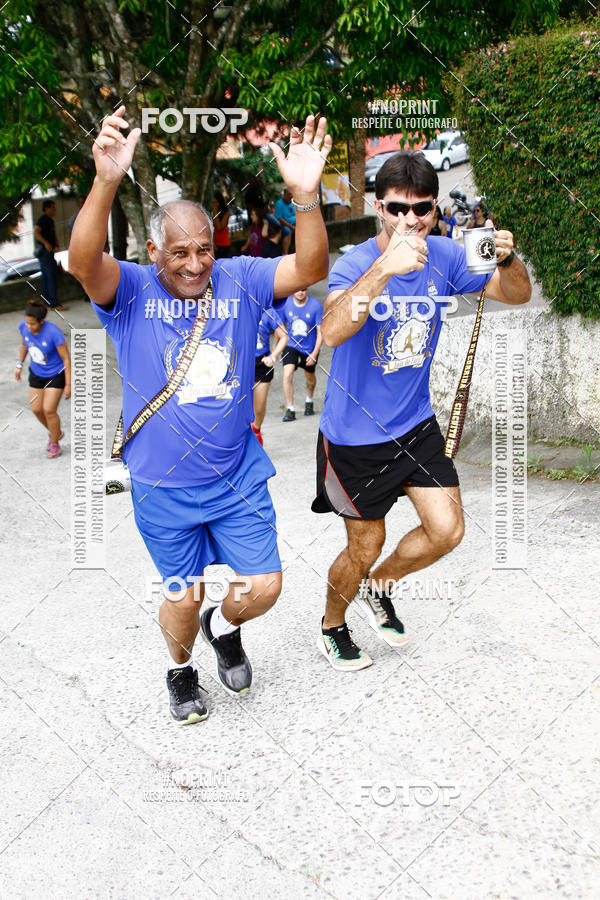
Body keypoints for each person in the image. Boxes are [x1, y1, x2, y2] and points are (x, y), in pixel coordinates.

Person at [69, 106, 331, 724]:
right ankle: (180, 671)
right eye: (179, 253)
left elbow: (312, 269)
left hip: (236, 477)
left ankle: (226, 624)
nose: (193, 264)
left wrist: (308, 198)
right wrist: (106, 179)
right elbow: (83, 262)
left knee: (265, 587)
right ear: (152, 250)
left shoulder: (239, 279)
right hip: (163, 488)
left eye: (204, 251)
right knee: (180, 599)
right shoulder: (129, 290)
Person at [313, 150, 531, 670]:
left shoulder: (450, 254)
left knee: (447, 529)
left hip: (415, 425)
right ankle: (332, 624)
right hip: (354, 437)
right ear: (379, 209)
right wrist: (385, 270)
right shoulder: (355, 261)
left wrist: (506, 257)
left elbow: (516, 294)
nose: (409, 220)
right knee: (365, 545)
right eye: (396, 209)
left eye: (421, 209)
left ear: (434, 210)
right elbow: (332, 329)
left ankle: (379, 587)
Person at [14, 299, 71, 458]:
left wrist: (68, 384)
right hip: (37, 373)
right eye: (27, 323)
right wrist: (19, 365)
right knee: (36, 409)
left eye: (32, 324)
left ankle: (54, 443)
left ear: (42, 321)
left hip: (56, 374)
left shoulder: (54, 333)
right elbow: (24, 344)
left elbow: (66, 358)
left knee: (49, 410)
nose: (29, 326)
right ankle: (56, 432)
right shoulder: (24, 327)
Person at [280, 288, 323, 421]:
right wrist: (278, 344)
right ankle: (290, 409)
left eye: (303, 290)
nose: (300, 292)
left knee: (309, 376)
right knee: (287, 373)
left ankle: (309, 401)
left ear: (307, 289)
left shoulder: (315, 306)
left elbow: (321, 332)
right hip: (291, 345)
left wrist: (314, 354)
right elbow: (280, 326)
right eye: (298, 290)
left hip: (309, 348)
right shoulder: (285, 304)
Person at [251, 308, 288, 446]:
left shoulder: (268, 312)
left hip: (261, 363)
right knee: (240, 406)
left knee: (259, 408)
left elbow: (284, 336)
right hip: (242, 363)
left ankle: (256, 429)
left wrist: (273, 356)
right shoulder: (237, 306)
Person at [34, 199, 67, 311]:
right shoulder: (43, 219)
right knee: (50, 277)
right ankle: (53, 303)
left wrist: (56, 244)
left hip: (49, 252)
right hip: (45, 252)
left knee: (46, 277)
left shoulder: (50, 220)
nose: (55, 210)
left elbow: (53, 234)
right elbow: (36, 232)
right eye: (53, 207)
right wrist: (46, 243)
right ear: (47, 208)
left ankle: (47, 301)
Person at [274, 188, 296, 254]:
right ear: (285, 195)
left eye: (292, 194)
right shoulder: (279, 204)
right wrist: (291, 227)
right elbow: (279, 219)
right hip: (284, 225)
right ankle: (285, 253)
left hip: (295, 224)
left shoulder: (293, 202)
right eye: (289, 194)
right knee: (288, 231)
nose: (291, 196)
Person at [212, 191, 231, 258]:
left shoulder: (226, 213)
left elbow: (219, 227)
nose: (215, 205)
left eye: (216, 202)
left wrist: (215, 213)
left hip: (224, 244)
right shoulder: (213, 214)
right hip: (216, 245)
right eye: (213, 203)